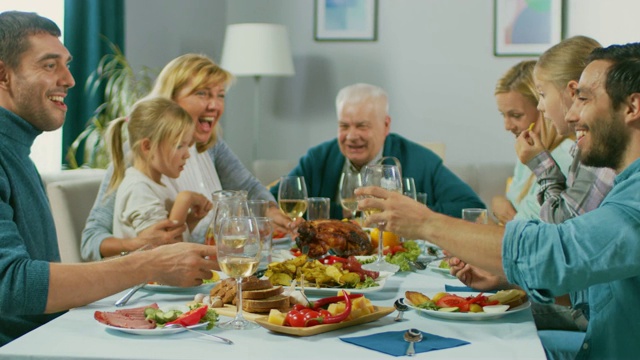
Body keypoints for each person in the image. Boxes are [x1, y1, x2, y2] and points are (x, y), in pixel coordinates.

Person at [356, 42, 640, 359]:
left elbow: (557, 250)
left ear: (632, 107)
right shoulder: (624, 184)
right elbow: (595, 286)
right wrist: (507, 279)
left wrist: (426, 222)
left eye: (584, 99)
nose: (571, 114)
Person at [0, 11, 217, 345]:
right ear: (3, 75)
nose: (69, 79)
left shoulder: (16, 149)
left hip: (46, 334)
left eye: (67, 63)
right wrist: (147, 263)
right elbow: (12, 285)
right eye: (49, 65)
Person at [81, 54, 291, 261]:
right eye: (202, 94)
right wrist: (136, 244)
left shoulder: (212, 146)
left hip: (209, 268)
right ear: (170, 102)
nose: (215, 105)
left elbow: (250, 189)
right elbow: (91, 240)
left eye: (220, 95)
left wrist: (271, 211)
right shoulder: (139, 155)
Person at [270, 83, 484, 220]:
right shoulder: (318, 158)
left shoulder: (421, 160)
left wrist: (415, 215)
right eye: (344, 126)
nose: (352, 136)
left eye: (362, 126)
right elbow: (273, 202)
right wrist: (341, 213)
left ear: (386, 125)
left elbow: (472, 208)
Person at [106, 97, 212, 240]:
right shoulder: (138, 189)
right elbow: (164, 251)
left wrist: (190, 220)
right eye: (179, 146)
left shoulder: (156, 183)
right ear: (147, 147)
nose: (187, 155)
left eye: (188, 146)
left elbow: (172, 234)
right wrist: (185, 199)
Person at [491, 60, 574, 224]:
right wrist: (498, 201)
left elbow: (526, 227)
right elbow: (513, 203)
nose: (507, 126)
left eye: (516, 115)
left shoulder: (567, 156)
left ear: (543, 106)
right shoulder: (530, 149)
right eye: (503, 115)